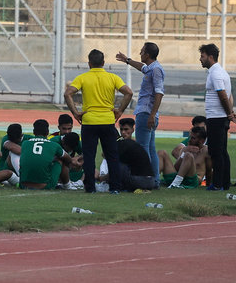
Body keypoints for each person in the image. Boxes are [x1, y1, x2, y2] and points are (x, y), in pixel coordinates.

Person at [64, 49, 133, 193]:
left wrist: (76, 113)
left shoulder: (83, 77)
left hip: (89, 121)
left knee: (89, 156)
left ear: (89, 63)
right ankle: (115, 188)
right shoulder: (112, 77)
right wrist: (119, 110)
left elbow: (68, 93)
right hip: (107, 121)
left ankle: (90, 187)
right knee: (112, 156)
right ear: (103, 63)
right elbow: (129, 92)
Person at [116, 42, 165, 186]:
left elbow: (159, 92)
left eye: (142, 51)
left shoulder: (156, 70)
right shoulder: (151, 68)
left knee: (143, 148)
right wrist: (127, 60)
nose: (140, 53)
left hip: (146, 113)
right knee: (150, 147)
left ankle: (146, 179)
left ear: (148, 54)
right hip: (147, 113)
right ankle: (154, 179)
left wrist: (152, 114)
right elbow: (142, 67)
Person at [198, 43, 236, 191]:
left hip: (216, 117)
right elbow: (230, 96)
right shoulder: (220, 72)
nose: (200, 59)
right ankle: (224, 183)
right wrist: (230, 112)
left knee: (216, 152)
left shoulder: (216, 73)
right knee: (222, 151)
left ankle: (217, 184)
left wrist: (229, 113)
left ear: (210, 57)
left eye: (202, 56)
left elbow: (223, 95)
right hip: (220, 116)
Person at [112, 117, 156, 191]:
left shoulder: (125, 144)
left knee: (117, 164)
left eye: (126, 129)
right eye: (121, 129)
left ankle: (116, 185)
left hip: (140, 181)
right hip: (151, 181)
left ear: (132, 130)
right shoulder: (136, 144)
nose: (123, 132)